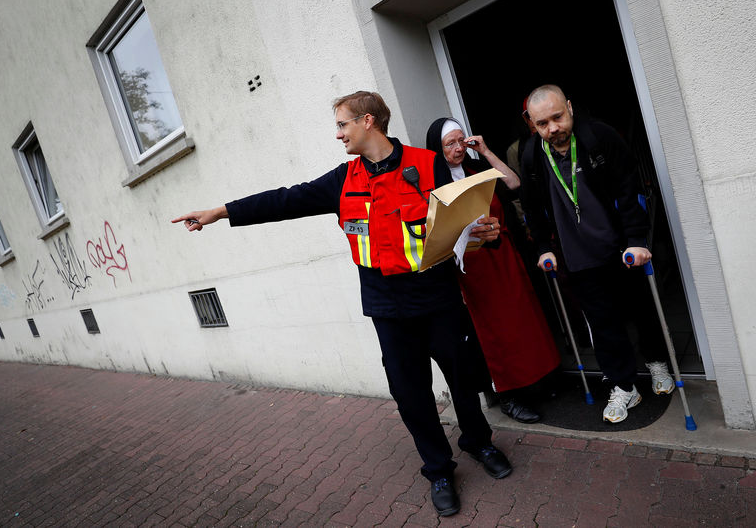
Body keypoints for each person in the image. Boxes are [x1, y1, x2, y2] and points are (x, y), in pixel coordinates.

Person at [172, 91, 512, 517]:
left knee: (464, 380)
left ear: (368, 121)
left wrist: (486, 233)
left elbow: (465, 223)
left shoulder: (429, 164)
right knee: (411, 395)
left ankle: (479, 443)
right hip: (389, 312)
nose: (338, 134)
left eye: (342, 125)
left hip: (439, 300)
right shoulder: (343, 181)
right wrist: (221, 212)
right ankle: (439, 468)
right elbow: (285, 199)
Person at [519, 84, 674, 424]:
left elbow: (628, 186)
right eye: (542, 123)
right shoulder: (532, 155)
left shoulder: (597, 137)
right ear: (533, 124)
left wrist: (636, 238)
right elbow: (531, 206)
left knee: (639, 308)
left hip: (620, 248)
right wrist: (544, 247)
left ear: (570, 107)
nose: (552, 129)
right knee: (603, 324)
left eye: (557, 118)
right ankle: (623, 385)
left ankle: (657, 361)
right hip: (577, 256)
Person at [425, 118, 561, 424]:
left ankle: (540, 379)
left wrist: (485, 151)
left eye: (462, 141)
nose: (459, 148)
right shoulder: (433, 180)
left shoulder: (476, 169)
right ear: (437, 147)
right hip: (472, 266)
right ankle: (509, 395)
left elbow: (513, 184)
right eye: (451, 143)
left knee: (524, 320)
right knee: (495, 333)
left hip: (503, 254)